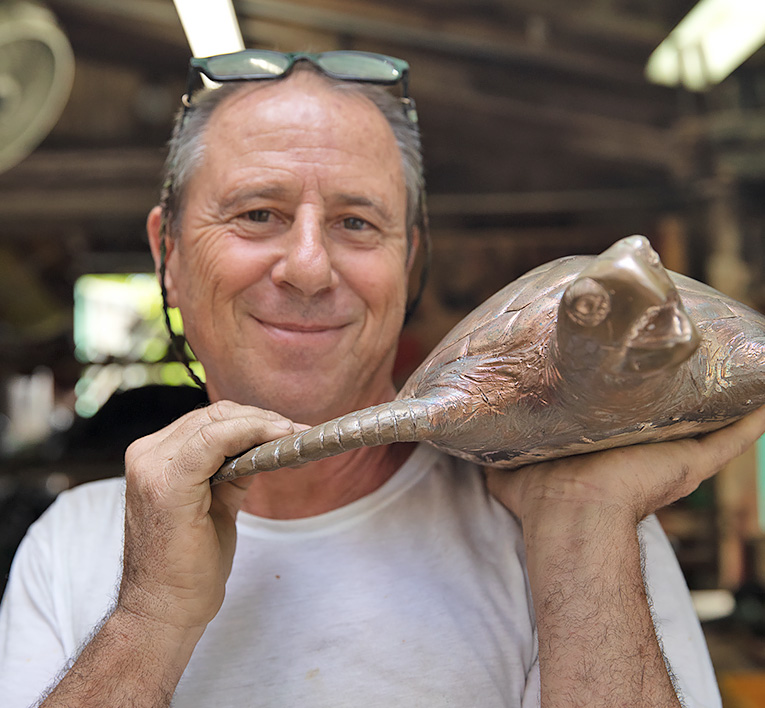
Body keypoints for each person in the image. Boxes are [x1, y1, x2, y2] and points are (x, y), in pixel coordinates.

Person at [1, 50, 764, 708]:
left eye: (356, 223)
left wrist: (581, 525)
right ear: (166, 254)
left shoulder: (573, 525)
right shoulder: (77, 545)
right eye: (258, 214)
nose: (306, 267)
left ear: (409, 260)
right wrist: (147, 618)